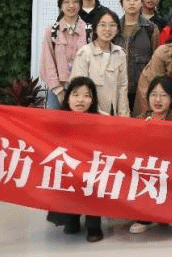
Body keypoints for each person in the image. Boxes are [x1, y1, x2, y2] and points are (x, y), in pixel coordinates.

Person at [45, 77, 104, 241]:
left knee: (93, 184)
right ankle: (72, 218)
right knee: (65, 182)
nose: (81, 100)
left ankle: (94, 225)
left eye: (86, 95)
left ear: (93, 100)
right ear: (68, 97)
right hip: (68, 171)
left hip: (91, 172)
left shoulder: (101, 121)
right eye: (76, 95)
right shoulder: (58, 120)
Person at [128, 76, 172, 234]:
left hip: (169, 170)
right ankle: (143, 216)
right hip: (146, 170)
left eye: (163, 95)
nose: (158, 100)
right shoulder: (139, 120)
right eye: (154, 94)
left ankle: (167, 212)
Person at [70, 8, 130, 117]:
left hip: (113, 115)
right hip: (90, 115)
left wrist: (124, 117)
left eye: (112, 25)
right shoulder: (85, 53)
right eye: (102, 25)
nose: (107, 29)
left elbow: (122, 88)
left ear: (117, 29)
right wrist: (97, 113)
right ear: (95, 28)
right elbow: (79, 89)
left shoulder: (120, 54)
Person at [39, 0, 88, 109]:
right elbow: (47, 61)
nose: (71, 5)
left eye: (75, 1)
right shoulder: (52, 31)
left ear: (80, 5)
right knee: (55, 120)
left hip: (82, 90)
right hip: (56, 91)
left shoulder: (89, 31)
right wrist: (59, 90)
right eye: (66, 2)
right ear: (60, 5)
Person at [116, 0, 158, 110]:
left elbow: (156, 58)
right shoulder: (114, 27)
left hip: (142, 86)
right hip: (118, 85)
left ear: (141, 3)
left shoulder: (150, 28)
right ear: (121, 3)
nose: (132, 3)